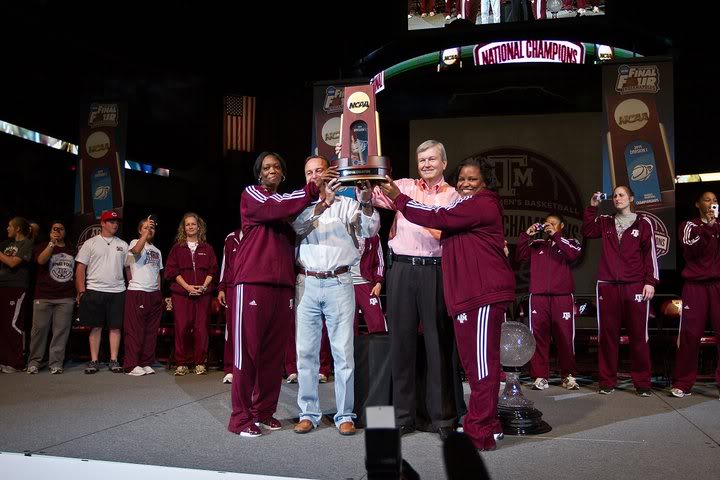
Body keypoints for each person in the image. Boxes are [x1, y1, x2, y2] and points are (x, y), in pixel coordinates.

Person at [380, 157, 515, 452]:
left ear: (485, 183)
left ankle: (479, 431)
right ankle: (487, 425)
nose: (466, 184)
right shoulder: (466, 205)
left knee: (481, 367)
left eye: (473, 179)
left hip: (482, 294)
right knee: (478, 365)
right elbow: (437, 214)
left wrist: (400, 199)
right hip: (469, 295)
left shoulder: (482, 203)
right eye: (463, 179)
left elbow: (435, 217)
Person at [227, 151, 334, 438]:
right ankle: (240, 418)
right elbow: (275, 207)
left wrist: (319, 201)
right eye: (266, 167)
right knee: (247, 353)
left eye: (277, 166)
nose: (271, 170)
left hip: (282, 286)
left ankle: (263, 412)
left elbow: (296, 215)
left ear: (283, 174)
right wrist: (312, 188)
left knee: (273, 356)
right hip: (252, 282)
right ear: (259, 174)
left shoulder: (288, 204)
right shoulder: (253, 194)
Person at [368, 140, 461, 438]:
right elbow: (372, 194)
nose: (426, 164)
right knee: (402, 345)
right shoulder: (404, 185)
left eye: (432, 159)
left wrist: (405, 204)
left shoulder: (453, 195)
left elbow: (442, 230)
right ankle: (402, 417)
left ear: (444, 163)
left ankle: (443, 419)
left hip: (435, 271)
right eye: (422, 160)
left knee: (438, 346)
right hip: (402, 270)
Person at [291, 155, 379, 436]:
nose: (315, 175)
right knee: (306, 354)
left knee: (343, 354)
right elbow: (297, 228)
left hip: (340, 282)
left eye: (319, 170)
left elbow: (369, 228)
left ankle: (345, 414)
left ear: (329, 172)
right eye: (310, 172)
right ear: (305, 178)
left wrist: (365, 201)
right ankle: (308, 413)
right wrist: (324, 202)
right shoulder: (299, 205)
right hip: (307, 282)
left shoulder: (348, 203)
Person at [581, 186, 659, 396]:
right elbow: (588, 231)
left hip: (634, 284)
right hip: (607, 285)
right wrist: (592, 207)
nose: (617, 198)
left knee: (638, 336)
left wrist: (650, 281)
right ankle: (607, 381)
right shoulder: (605, 221)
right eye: (615, 195)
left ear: (631, 198)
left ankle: (642, 383)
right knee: (607, 336)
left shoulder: (644, 222)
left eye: (622, 195)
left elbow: (650, 253)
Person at [516, 213, 582, 390]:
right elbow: (520, 255)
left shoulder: (570, 242)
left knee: (565, 338)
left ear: (561, 227)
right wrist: (527, 235)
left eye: (553, 223)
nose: (549, 226)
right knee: (538, 338)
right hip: (538, 297)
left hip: (562, 297)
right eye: (546, 224)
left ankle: (568, 375)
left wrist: (556, 236)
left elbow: (574, 254)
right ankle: (540, 376)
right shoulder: (538, 245)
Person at [671, 192, 720, 399]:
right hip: (695, 286)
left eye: (715, 201)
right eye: (708, 200)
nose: (712, 204)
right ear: (697, 203)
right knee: (690, 336)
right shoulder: (689, 226)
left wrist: (715, 226)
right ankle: (683, 383)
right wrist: (708, 228)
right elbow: (690, 249)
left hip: (718, 284)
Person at [75, 210, 129, 374]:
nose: (115, 224)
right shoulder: (90, 243)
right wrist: (82, 291)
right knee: (96, 327)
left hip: (118, 290)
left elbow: (128, 269)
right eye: (111, 222)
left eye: (116, 222)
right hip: (95, 290)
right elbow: (80, 269)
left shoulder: (123, 244)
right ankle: (94, 360)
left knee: (115, 327)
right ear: (103, 224)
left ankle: (113, 360)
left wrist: (131, 287)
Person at [165, 212, 218, 376]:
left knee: (201, 328)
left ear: (199, 227)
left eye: (193, 224)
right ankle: (182, 363)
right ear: (184, 227)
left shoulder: (207, 248)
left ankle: (200, 362)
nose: (190, 226)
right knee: (182, 328)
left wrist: (203, 286)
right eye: (187, 224)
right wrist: (188, 287)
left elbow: (213, 270)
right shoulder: (177, 248)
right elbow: (171, 272)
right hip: (182, 294)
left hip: (203, 294)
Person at [27, 221, 75, 374]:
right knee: (39, 331)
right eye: (54, 229)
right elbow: (41, 260)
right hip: (44, 295)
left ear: (65, 232)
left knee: (61, 331)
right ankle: (34, 362)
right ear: (50, 232)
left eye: (61, 229)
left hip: (65, 297)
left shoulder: (71, 249)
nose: (58, 231)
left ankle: (55, 363)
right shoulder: (43, 246)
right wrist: (51, 244)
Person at [123, 216, 163, 376]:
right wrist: (144, 235)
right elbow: (137, 251)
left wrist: (159, 293)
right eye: (146, 227)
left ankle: (145, 362)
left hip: (154, 294)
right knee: (135, 330)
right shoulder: (134, 242)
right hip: (138, 291)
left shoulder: (157, 250)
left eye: (152, 228)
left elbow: (158, 273)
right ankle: (131, 364)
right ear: (140, 230)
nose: (149, 230)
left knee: (151, 331)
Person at [0, 217, 34, 373]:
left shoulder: (26, 243)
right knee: (4, 324)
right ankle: (4, 360)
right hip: (3, 286)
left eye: (10, 226)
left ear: (18, 228)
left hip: (17, 287)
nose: (7, 228)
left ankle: (16, 362)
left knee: (13, 324)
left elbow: (13, 263)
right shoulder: (7, 244)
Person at [217, 228, 242, 384]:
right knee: (231, 328)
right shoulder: (230, 237)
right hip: (232, 288)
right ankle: (230, 369)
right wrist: (221, 288)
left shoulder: (257, 233)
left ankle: (246, 369)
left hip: (250, 287)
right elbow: (225, 265)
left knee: (249, 329)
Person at [351, 234, 387, 336]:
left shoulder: (372, 234)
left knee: (377, 321)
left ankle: (380, 350)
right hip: (345, 284)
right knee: (348, 325)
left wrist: (378, 282)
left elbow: (380, 261)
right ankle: (352, 351)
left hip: (366, 284)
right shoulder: (341, 230)